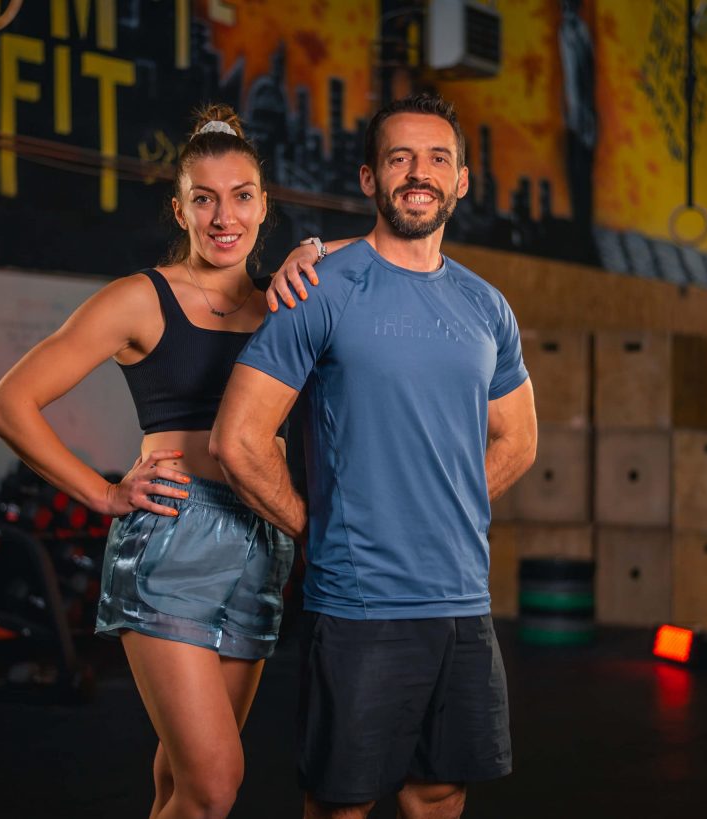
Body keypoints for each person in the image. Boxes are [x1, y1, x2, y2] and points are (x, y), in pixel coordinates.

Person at [210, 93, 538, 819]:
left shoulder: (487, 306)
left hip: (462, 598)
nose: (419, 173)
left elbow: (518, 439)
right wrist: (317, 527)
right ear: (369, 177)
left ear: (461, 181)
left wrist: (445, 510)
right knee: (342, 802)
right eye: (400, 158)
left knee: (439, 791)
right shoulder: (318, 288)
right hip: (361, 604)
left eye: (438, 159)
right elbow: (237, 439)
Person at [0, 104, 296, 819]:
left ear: (263, 205)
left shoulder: (285, 301)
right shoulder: (141, 299)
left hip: (261, 541)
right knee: (215, 785)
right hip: (174, 539)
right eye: (204, 199)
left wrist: (315, 254)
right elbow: (9, 404)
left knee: (180, 786)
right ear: (180, 210)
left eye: (241, 196)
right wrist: (103, 493)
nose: (224, 216)